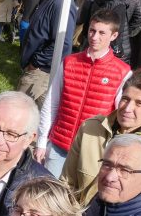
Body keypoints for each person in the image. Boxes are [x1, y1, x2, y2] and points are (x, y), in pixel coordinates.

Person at [35, 9, 132, 177]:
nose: (94, 37)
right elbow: (52, 102)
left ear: (114, 36)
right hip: (60, 146)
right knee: (48, 196)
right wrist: (42, 142)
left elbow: (121, 118)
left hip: (94, 152)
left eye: (102, 33)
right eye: (92, 30)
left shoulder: (122, 72)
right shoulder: (69, 62)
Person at [62, 69, 141, 206]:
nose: (128, 108)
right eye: (125, 99)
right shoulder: (91, 129)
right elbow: (66, 184)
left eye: (139, 103)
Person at [17, 0, 77, 107]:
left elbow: (62, 43)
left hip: (42, 73)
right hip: (37, 71)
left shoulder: (61, 5)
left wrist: (36, 62)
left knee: (19, 113)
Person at [78, 0, 141, 64]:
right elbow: (117, 33)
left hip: (93, 43)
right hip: (108, 50)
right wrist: (119, 52)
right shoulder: (119, 5)